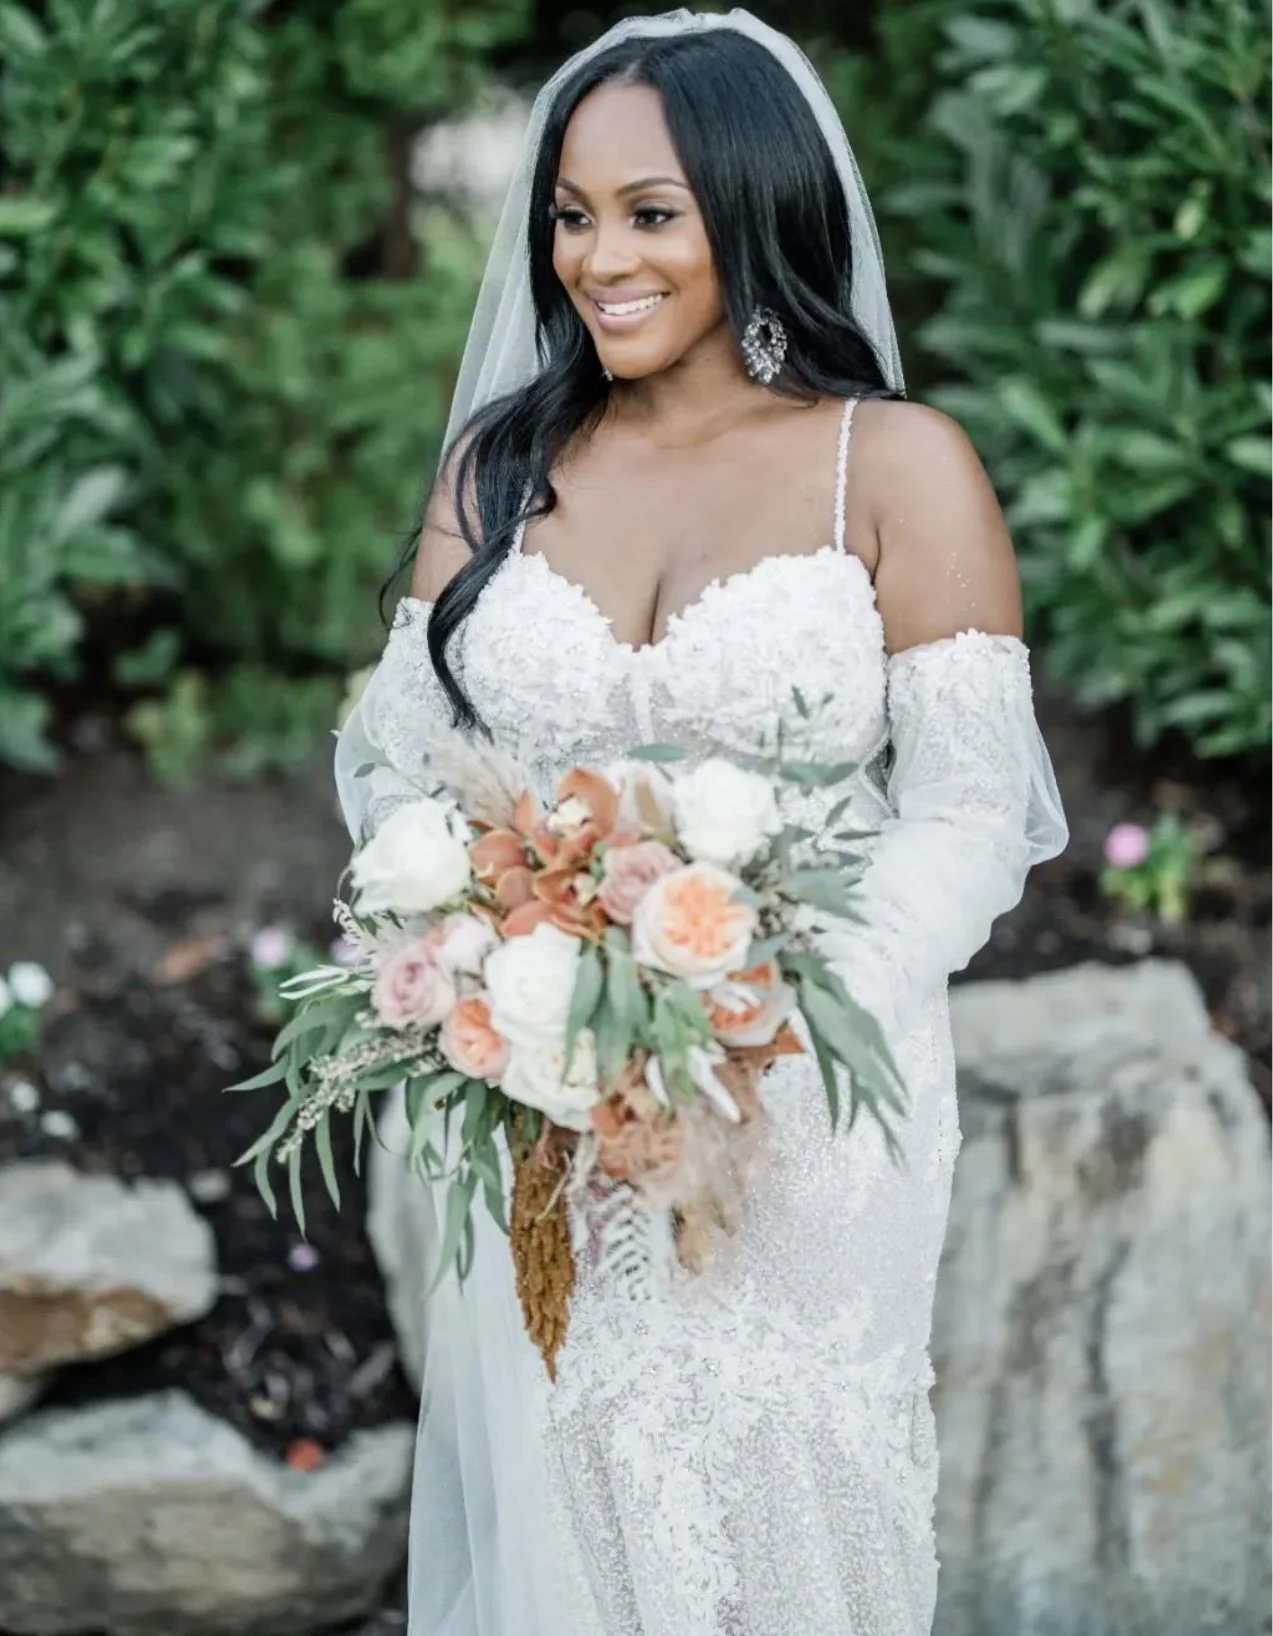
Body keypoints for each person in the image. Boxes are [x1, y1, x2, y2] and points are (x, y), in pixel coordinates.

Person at [336, 11, 1068, 1634]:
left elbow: (964, 821)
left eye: (651, 211)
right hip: (545, 1103)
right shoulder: (499, 468)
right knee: (574, 1509)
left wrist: (741, 1033)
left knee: (785, 1501)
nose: (599, 258)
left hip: (814, 1109)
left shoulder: (896, 467)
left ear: (754, 207)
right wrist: (500, 985)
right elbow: (398, 774)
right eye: (573, 213)